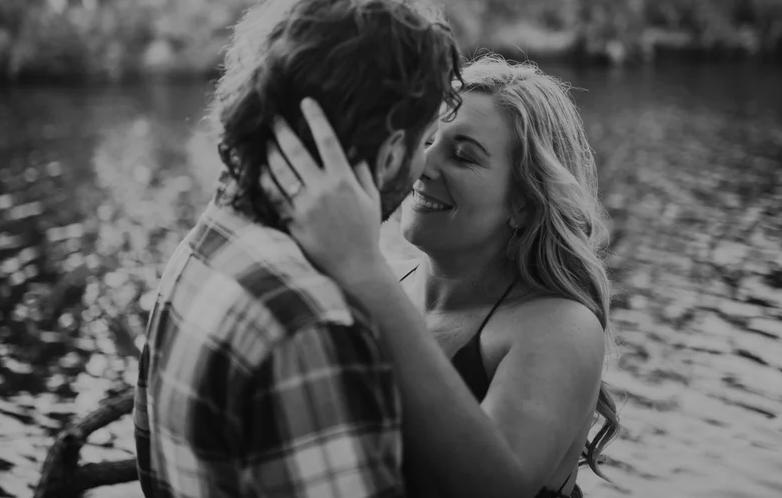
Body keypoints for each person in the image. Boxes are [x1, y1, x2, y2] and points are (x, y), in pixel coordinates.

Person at [132, 0, 463, 498]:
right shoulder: (312, 326)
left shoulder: (208, 240)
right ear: (390, 154)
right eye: (425, 143)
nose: (425, 167)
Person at [261, 54, 620, 498]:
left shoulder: (560, 327)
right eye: (427, 139)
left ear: (525, 204)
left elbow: (493, 488)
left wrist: (362, 269)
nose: (422, 164)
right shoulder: (376, 283)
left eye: (463, 156)